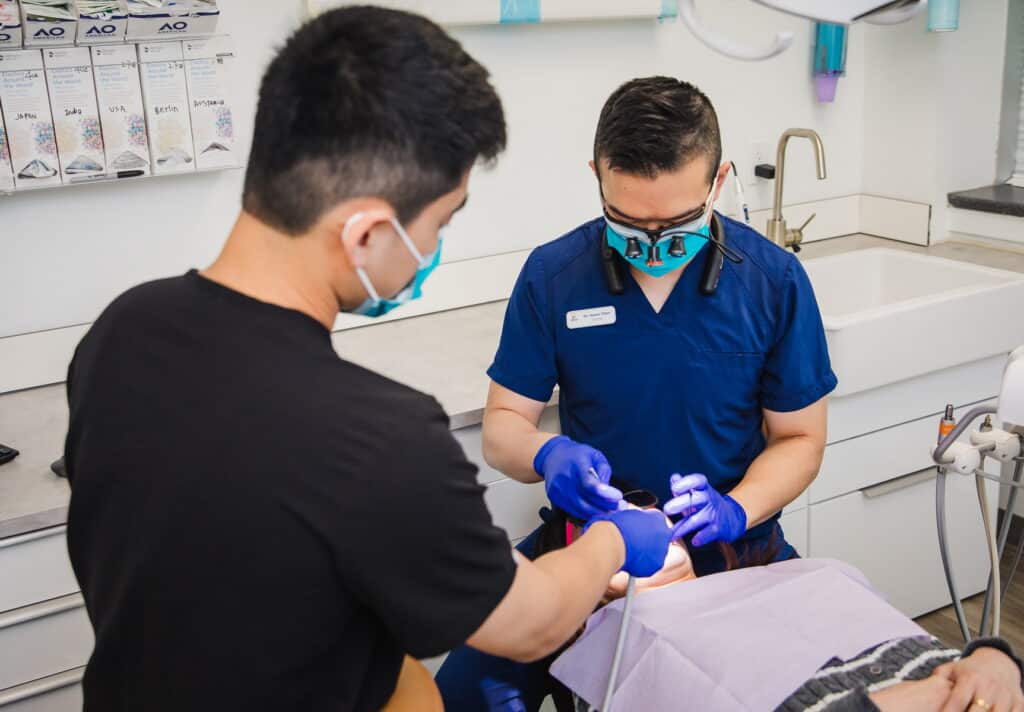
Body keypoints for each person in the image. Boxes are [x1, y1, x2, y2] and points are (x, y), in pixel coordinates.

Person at [62, 9, 673, 711]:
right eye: (440, 222)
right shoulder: (378, 434)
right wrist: (612, 542)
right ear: (368, 233)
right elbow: (531, 623)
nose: (436, 244)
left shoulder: (121, 333)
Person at [437, 76, 838, 710]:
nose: (652, 243)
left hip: (730, 549)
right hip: (589, 550)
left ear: (719, 180)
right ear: (596, 174)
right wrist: (546, 455)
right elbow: (502, 425)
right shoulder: (554, 275)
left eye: (678, 222)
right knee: (460, 694)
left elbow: (800, 439)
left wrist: (734, 509)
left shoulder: (773, 282)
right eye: (627, 220)